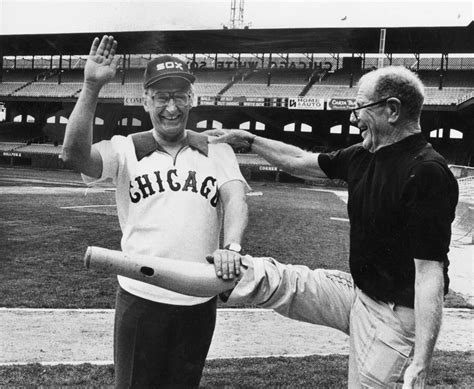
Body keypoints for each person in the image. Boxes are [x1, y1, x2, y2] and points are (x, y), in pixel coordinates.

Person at [187, 66, 456, 388]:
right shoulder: (364, 155)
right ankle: (227, 273)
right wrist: (248, 139)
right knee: (279, 281)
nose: (353, 118)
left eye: (360, 108)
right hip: (358, 294)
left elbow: (429, 273)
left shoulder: (427, 171)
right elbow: (300, 161)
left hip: (396, 318)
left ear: (392, 110)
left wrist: (421, 363)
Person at [62, 35, 248, 388]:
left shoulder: (217, 149)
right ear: (145, 100)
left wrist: (233, 246)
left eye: (180, 96)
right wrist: (90, 87)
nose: (172, 107)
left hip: (198, 299)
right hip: (140, 299)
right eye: (162, 97)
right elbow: (73, 155)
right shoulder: (125, 148)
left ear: (192, 99)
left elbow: (236, 199)